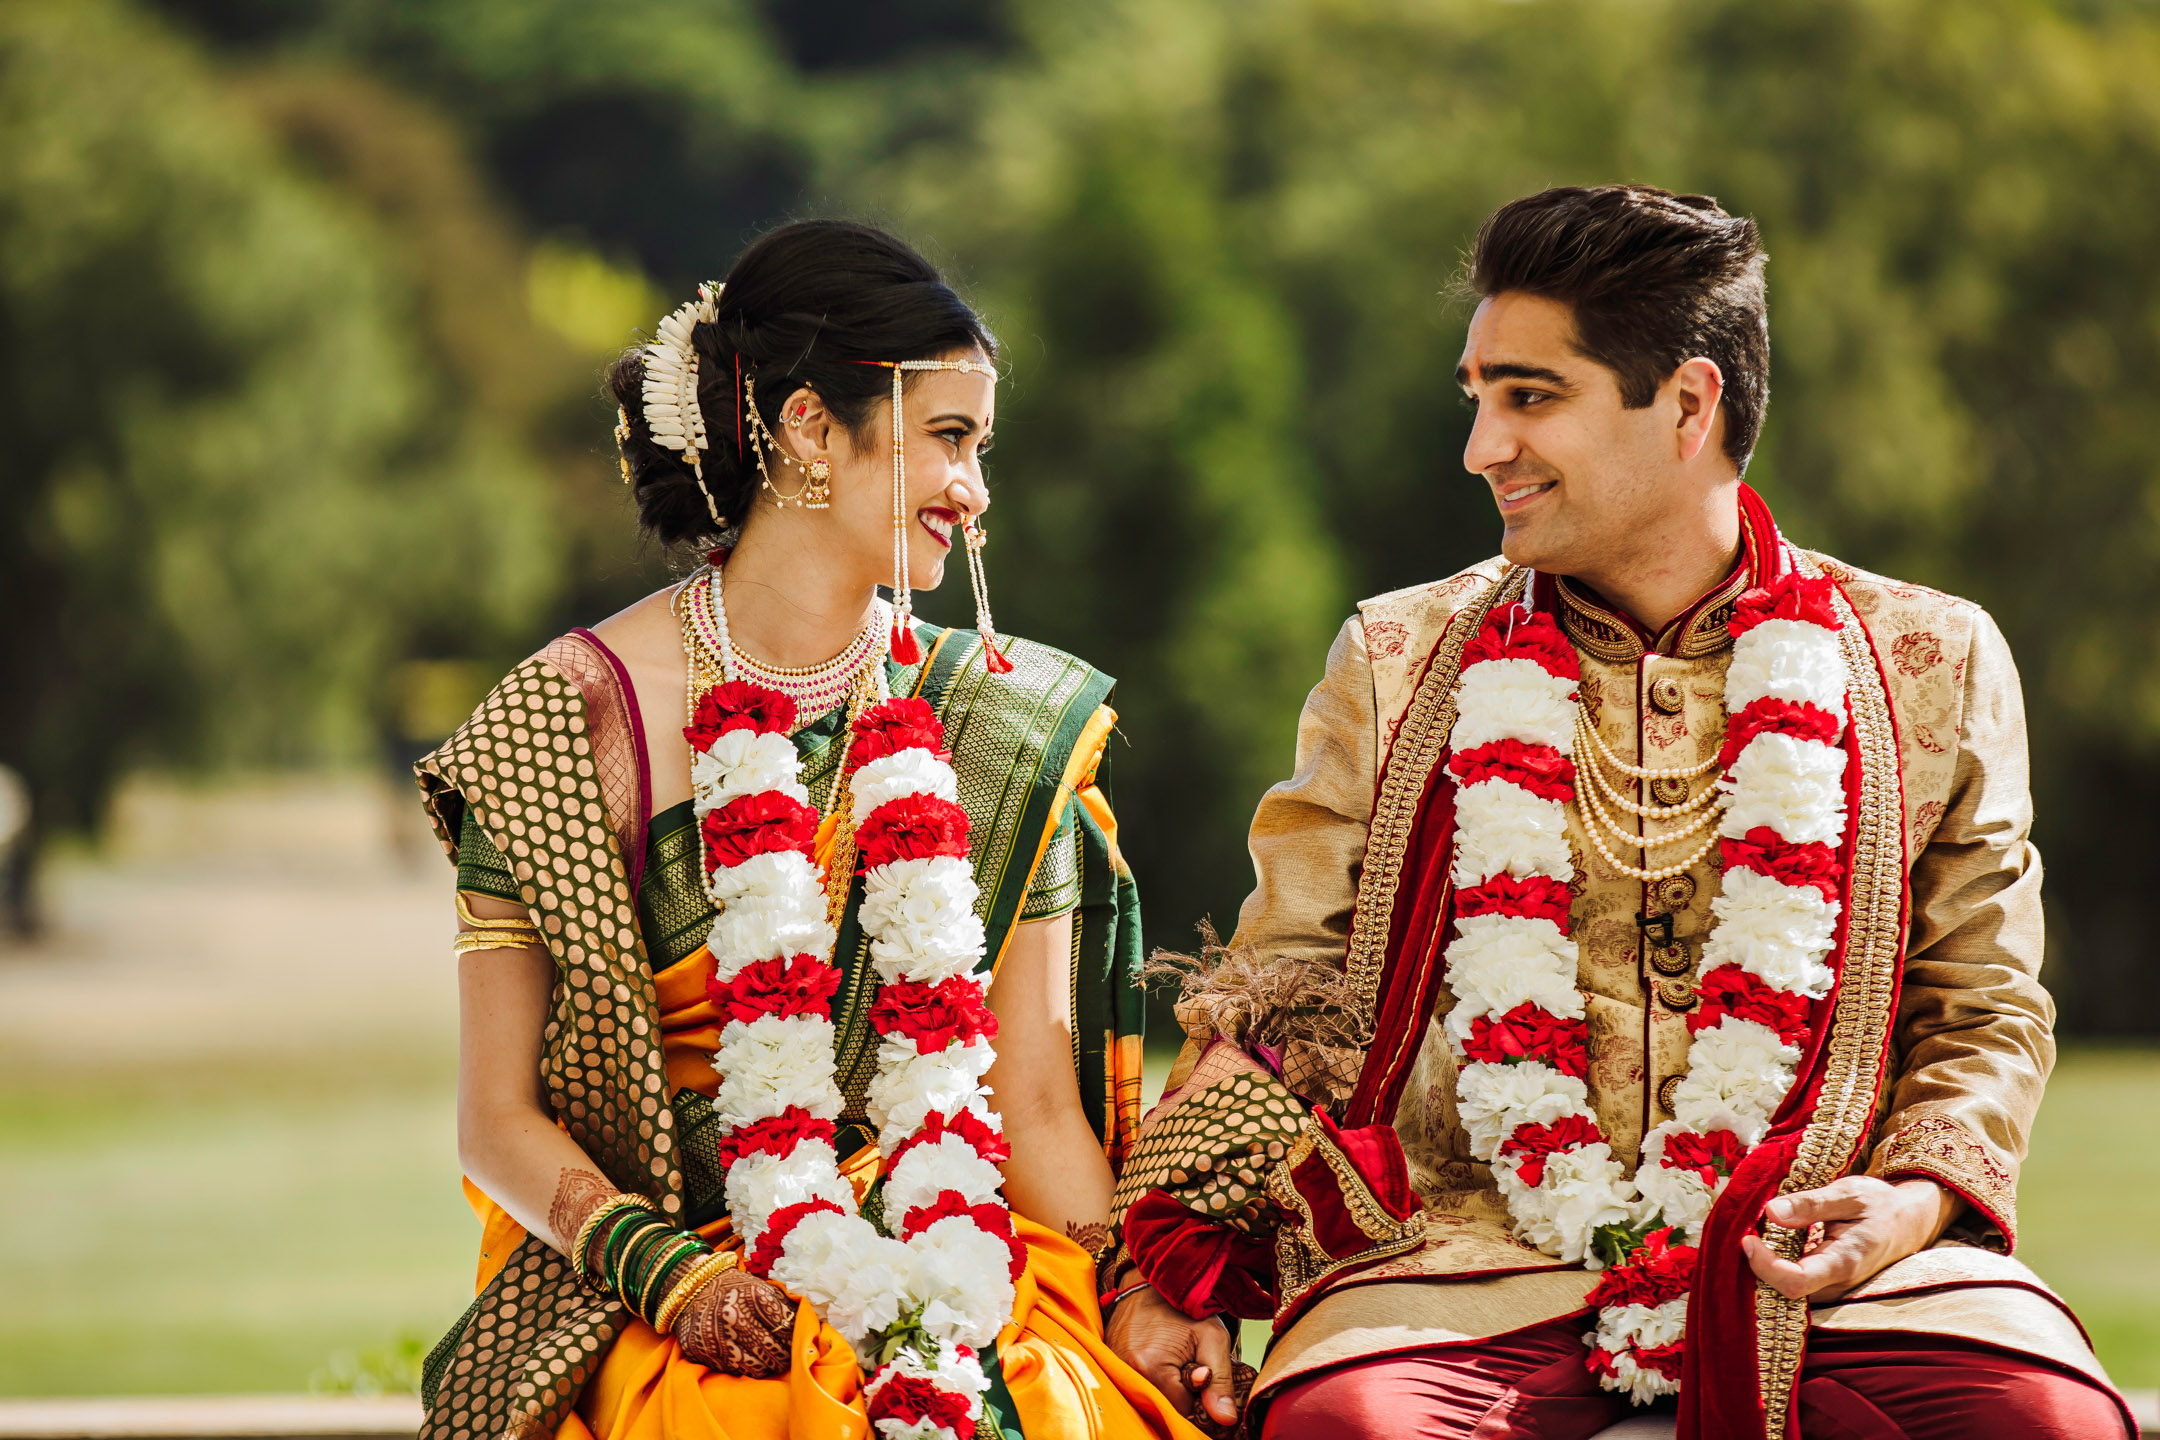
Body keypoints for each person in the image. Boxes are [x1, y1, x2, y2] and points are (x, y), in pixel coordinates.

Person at [1103, 187, 2136, 1440]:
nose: (1482, 446)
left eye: (1530, 397)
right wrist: (1165, 1269)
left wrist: (1915, 1200)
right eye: (1475, 395)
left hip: (1821, 1252)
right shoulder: (1399, 654)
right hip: (1467, 1264)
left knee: (2047, 1420)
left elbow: (1982, 1001)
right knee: (1349, 1430)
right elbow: (1285, 993)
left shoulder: (1931, 657)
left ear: (1691, 405)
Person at [414, 220, 1203, 1440]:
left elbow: (1036, 1103)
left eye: (981, 446)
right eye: (949, 439)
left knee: (1045, 1411)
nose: (975, 490)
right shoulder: (562, 728)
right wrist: (677, 1279)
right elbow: (495, 1119)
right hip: (660, 1285)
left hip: (963, 1254)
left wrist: (1137, 1290)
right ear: (808, 430)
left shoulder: (993, 718)